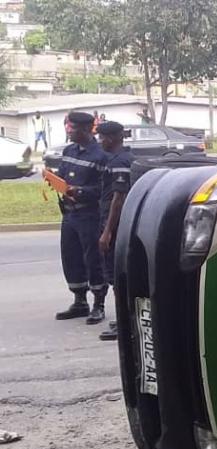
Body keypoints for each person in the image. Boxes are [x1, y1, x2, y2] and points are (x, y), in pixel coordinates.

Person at [54, 112, 109, 325]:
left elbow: (104, 189)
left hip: (89, 214)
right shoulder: (69, 151)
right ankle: (80, 302)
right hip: (70, 214)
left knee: (93, 259)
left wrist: (81, 192)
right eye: (67, 127)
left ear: (87, 130)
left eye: (72, 128)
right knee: (71, 257)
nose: (68, 131)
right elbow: (64, 177)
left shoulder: (100, 156)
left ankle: (99, 305)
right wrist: (54, 179)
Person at [96, 121, 133, 341]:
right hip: (113, 224)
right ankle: (123, 319)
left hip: (116, 226)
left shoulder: (120, 161)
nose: (100, 142)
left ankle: (125, 324)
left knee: (117, 277)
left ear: (111, 138)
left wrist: (107, 232)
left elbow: (118, 199)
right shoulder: (121, 158)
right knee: (116, 276)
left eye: (102, 138)